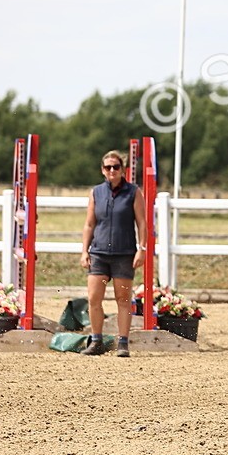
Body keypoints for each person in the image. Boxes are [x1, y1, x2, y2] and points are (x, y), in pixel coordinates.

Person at [80, 150, 145, 357]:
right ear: (102, 170)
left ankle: (123, 342)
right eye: (107, 167)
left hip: (124, 253)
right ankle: (96, 340)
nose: (112, 171)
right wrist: (84, 250)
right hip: (99, 253)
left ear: (122, 169)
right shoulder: (96, 192)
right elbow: (90, 224)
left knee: (123, 299)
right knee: (93, 298)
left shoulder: (133, 192)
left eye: (115, 167)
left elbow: (142, 223)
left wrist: (142, 249)